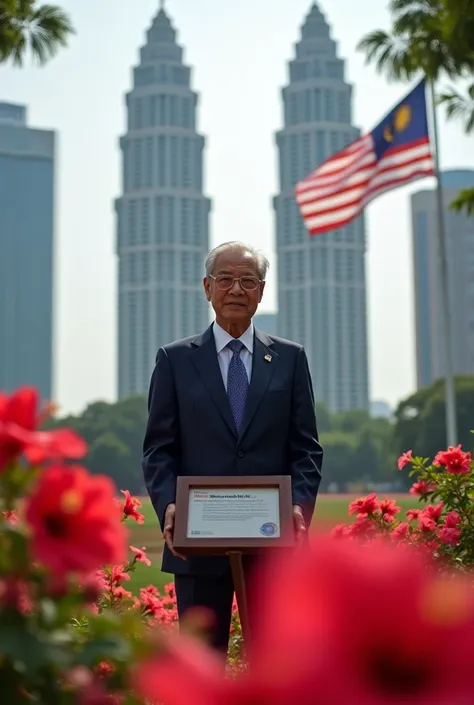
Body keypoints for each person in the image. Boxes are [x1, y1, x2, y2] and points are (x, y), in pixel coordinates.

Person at [142, 241, 323, 655]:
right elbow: (158, 448)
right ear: (207, 287)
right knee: (202, 666)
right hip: (197, 545)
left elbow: (306, 448)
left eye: (248, 280)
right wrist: (170, 505)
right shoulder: (174, 360)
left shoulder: (291, 359)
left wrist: (298, 507)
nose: (236, 289)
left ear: (261, 290)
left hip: (276, 546)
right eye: (225, 279)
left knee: (278, 666)